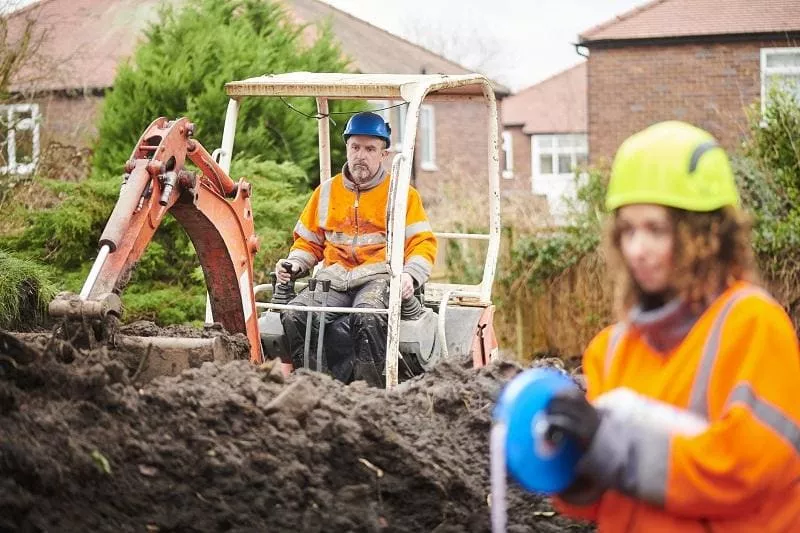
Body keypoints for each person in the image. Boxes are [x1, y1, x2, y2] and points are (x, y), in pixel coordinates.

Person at [544, 121, 800, 530]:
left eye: (656, 229)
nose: (637, 249)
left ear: (707, 235)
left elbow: (747, 470)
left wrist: (613, 446)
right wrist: (568, 464)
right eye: (627, 230)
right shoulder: (611, 350)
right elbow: (602, 503)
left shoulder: (754, 326)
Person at [275, 111, 437, 387]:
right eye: (355, 147)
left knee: (368, 316)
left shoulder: (402, 195)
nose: (361, 155)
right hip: (333, 279)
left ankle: (369, 395)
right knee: (293, 314)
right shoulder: (325, 192)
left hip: (377, 278)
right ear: (347, 148)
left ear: (383, 154)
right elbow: (308, 242)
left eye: (370, 149)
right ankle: (314, 387)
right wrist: (294, 263)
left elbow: (421, 243)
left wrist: (410, 276)